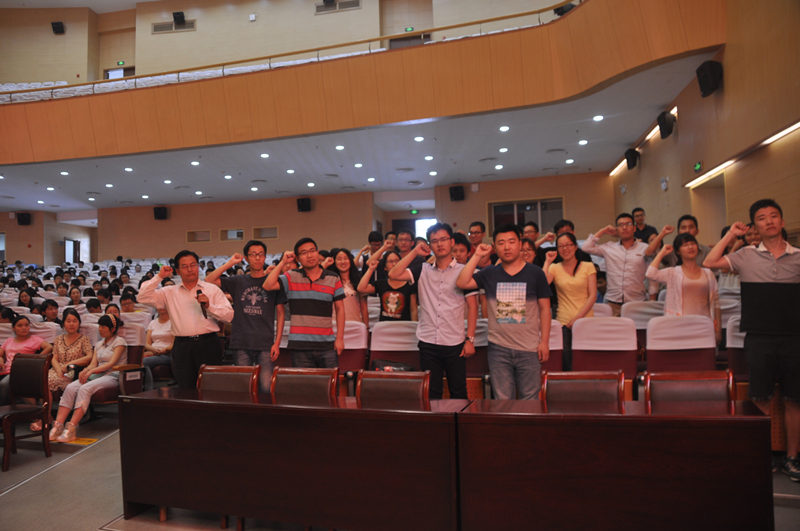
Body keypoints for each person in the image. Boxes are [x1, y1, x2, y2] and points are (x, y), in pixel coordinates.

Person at [703, 198, 800, 481]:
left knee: (795, 400)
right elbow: (710, 262)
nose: (769, 221)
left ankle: (792, 458)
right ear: (755, 226)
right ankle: (763, 455)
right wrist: (731, 235)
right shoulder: (745, 256)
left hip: (794, 337)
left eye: (774, 216)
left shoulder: (798, 256)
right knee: (760, 398)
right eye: (762, 218)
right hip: (759, 337)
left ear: (782, 221)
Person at [457, 224, 551, 399]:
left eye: (511, 242)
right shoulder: (489, 273)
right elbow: (462, 282)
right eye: (501, 243)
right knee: (502, 400)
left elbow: (545, 309)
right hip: (498, 348)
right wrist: (477, 255)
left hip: (529, 347)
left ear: (520, 244)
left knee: (530, 399)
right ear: (494, 246)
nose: (507, 247)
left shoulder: (536, 273)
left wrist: (544, 342)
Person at [390, 223, 477, 399]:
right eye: (434, 241)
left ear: (452, 242)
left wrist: (470, 339)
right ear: (430, 245)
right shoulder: (423, 269)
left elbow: (473, 306)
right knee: (431, 393)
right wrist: (414, 252)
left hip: (455, 341)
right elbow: (394, 274)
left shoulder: (464, 271)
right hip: (428, 340)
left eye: (443, 239)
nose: (439, 244)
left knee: (458, 391)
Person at [138, 250, 234, 389]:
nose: (190, 269)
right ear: (177, 270)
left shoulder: (212, 289)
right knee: (185, 388)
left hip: (208, 343)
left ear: (198, 266)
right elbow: (142, 297)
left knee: (211, 388)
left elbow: (229, 316)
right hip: (182, 346)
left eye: (193, 265)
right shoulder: (169, 292)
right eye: (184, 266)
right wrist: (159, 276)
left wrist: (209, 306)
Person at [205, 241, 286, 394]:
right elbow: (209, 280)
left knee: (267, 388)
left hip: (265, 343)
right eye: (253, 255)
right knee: (244, 388)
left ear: (265, 257)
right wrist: (230, 263)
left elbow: (281, 313)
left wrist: (277, 342)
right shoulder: (238, 281)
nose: (257, 258)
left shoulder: (273, 282)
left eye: (261, 254)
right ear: (247, 258)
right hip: (241, 342)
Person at [263, 238, 345, 368]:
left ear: (317, 252)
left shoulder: (333, 278)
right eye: (304, 253)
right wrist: (283, 262)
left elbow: (340, 309)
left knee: (331, 381)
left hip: (326, 344)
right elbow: (268, 285)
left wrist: (339, 338)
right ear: (298, 258)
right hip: (299, 345)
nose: (309, 255)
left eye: (312, 251)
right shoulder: (291, 276)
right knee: (303, 381)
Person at [49, 314, 127, 442]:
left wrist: (91, 371)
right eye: (99, 326)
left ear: (112, 329)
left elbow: (111, 363)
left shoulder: (120, 342)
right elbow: (93, 364)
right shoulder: (99, 344)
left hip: (113, 375)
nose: (100, 329)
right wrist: (85, 371)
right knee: (71, 387)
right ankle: (58, 426)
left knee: (85, 388)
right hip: (97, 374)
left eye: (103, 327)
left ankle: (71, 428)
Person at [646, 233, 721, 339]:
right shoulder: (673, 272)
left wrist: (718, 330)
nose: (690, 247)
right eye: (685, 245)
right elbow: (650, 273)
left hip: (704, 326)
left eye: (693, 244)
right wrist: (662, 253)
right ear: (678, 251)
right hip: (679, 326)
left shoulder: (708, 273)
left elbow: (716, 304)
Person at [543, 232, 597, 370]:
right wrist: (548, 261)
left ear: (575, 246)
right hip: (563, 322)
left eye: (568, 245)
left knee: (585, 362)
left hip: (585, 321)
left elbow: (592, 296)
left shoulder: (588, 266)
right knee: (567, 363)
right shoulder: (555, 268)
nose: (565, 249)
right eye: (561, 246)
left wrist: (577, 318)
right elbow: (542, 284)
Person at [582, 213, 653, 316]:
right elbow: (586, 247)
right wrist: (603, 231)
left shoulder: (645, 248)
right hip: (613, 303)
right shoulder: (609, 248)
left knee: (636, 327)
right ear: (617, 230)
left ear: (634, 228)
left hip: (637, 302)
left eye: (628, 224)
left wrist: (652, 299)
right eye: (620, 225)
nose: (624, 227)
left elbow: (652, 274)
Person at [0, 315, 54, 406]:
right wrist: (1, 360)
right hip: (6, 370)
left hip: (22, 370)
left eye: (26, 325)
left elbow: (49, 347)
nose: (24, 328)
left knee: (3, 384)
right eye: (20, 325)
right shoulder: (9, 340)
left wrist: (36, 359)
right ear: (14, 328)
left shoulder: (34, 339)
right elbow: (0, 353)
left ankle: (3, 408)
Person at [357, 250, 418, 322]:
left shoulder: (410, 284)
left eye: (397, 261)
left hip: (405, 325)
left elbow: (413, 310)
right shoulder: (381, 284)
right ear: (385, 267)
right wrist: (371, 269)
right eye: (390, 261)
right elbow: (361, 288)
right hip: (384, 326)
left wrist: (414, 326)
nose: (394, 264)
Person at [48, 308, 93, 397]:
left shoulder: (84, 339)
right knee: (41, 378)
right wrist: (59, 371)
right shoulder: (58, 339)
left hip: (73, 371)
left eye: (74, 321)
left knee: (51, 381)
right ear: (64, 323)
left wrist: (70, 364)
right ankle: (43, 405)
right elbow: (54, 358)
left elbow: (89, 356)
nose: (71, 324)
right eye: (68, 321)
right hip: (56, 370)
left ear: (79, 323)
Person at [328, 248, 369, 327]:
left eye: (345, 258)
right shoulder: (330, 281)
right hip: (335, 325)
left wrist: (366, 327)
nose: (343, 262)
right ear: (334, 262)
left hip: (356, 325)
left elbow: (364, 307)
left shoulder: (359, 281)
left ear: (350, 261)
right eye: (339, 259)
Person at [142, 307, 174, 390]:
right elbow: (147, 344)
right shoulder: (153, 323)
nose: (161, 308)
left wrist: (163, 350)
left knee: (144, 361)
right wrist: (153, 350)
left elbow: (174, 344)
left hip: (167, 354)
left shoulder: (173, 322)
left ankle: (148, 389)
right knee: (136, 360)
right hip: (153, 351)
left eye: (163, 306)